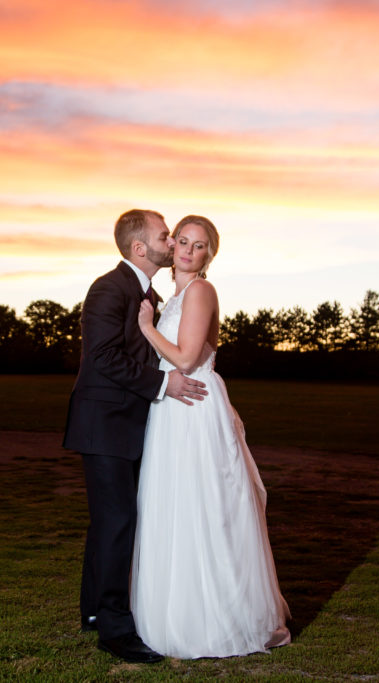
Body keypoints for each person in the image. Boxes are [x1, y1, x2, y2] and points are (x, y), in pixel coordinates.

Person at [130, 215, 291, 659]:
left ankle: (220, 617)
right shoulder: (173, 296)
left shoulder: (200, 291)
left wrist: (146, 328)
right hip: (172, 410)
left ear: (209, 256)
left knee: (205, 508)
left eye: (199, 246)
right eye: (182, 241)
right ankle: (178, 611)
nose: (187, 250)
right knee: (175, 507)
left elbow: (183, 359)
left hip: (194, 410)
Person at [63, 209, 208, 664]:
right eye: (166, 236)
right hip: (104, 424)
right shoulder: (110, 288)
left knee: (110, 522)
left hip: (126, 424)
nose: (173, 243)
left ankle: (92, 613)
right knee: (118, 522)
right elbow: (103, 358)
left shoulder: (146, 292)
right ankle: (115, 629)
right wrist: (164, 385)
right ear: (140, 248)